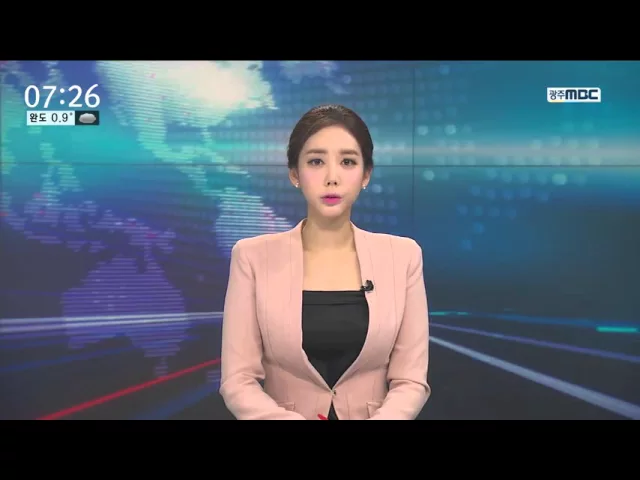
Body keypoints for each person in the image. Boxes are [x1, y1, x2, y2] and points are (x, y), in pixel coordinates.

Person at [219, 104, 431, 420]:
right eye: (316, 161)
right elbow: (238, 381)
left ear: (366, 174)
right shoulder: (252, 257)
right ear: (295, 173)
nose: (332, 178)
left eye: (348, 162)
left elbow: (411, 381)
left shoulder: (402, 257)